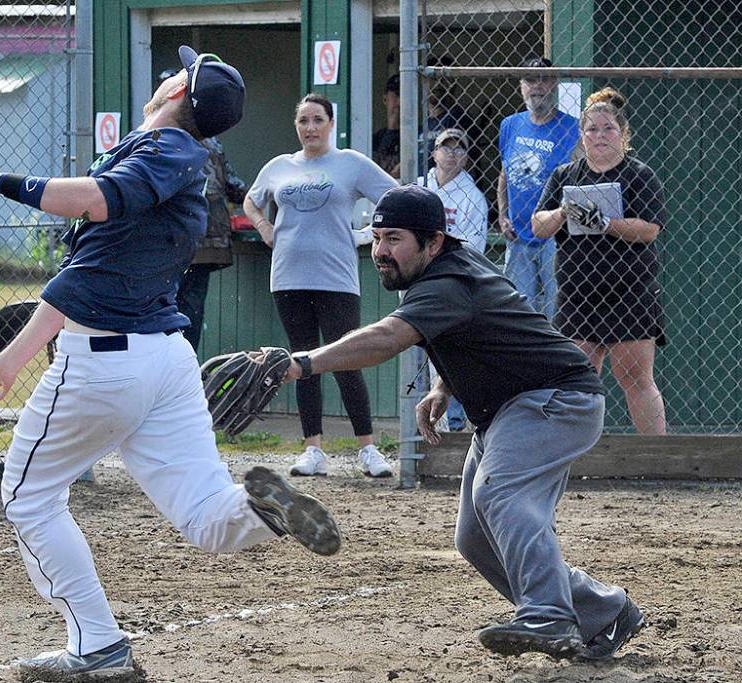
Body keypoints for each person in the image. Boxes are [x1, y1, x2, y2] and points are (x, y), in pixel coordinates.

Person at [0, 46, 342, 678]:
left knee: (28, 497)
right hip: (161, 361)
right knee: (208, 515)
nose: (167, 78)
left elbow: (98, 199)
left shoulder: (172, 151)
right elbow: (84, 275)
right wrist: (16, 355)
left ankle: (96, 643)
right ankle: (263, 508)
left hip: (105, 367)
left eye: (179, 74)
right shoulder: (164, 150)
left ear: (183, 95)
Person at [274, 184, 644, 661]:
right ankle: (603, 612)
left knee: (501, 493)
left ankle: (549, 613)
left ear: (433, 241)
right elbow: (486, 334)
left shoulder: (450, 281)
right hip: (512, 409)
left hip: (555, 400)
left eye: (394, 239)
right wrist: (443, 387)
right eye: (377, 237)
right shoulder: (443, 274)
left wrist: (302, 364)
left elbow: (388, 338)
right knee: (473, 537)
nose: (381, 251)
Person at [243, 93, 397, 479]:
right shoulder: (280, 166)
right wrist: (264, 227)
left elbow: (394, 197)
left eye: (317, 120)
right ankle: (312, 448)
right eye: (303, 121)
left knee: (346, 357)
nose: (310, 128)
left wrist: (372, 235)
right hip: (289, 275)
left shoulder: (350, 164)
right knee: (301, 362)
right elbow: (251, 200)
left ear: (331, 123)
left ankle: (368, 448)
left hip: (336, 277)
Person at [532, 87, 667, 435]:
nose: (600, 136)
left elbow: (650, 229)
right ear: (582, 136)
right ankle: (572, 459)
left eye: (608, 128)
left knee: (636, 379)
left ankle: (659, 458)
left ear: (623, 134)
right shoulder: (565, 176)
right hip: (577, 297)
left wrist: (606, 224)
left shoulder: (639, 175)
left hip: (629, 294)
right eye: (592, 129)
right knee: (574, 383)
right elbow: (538, 225)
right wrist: (565, 211)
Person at [155, 68, 248, 351]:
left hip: (187, 238)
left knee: (176, 312)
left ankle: (177, 375)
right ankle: (180, 372)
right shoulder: (205, 140)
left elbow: (231, 185)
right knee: (186, 312)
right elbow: (233, 185)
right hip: (198, 238)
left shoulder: (166, 138)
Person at [497, 56, 579, 319]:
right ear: (521, 85)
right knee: (518, 313)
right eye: (530, 80)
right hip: (518, 236)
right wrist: (502, 213)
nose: (537, 87)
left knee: (560, 310)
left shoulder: (572, 129)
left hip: (556, 236)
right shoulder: (510, 125)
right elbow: (504, 172)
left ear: (555, 83)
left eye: (544, 79)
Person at [418, 127, 488, 431]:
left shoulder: (473, 197)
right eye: (445, 148)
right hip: (416, 281)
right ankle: (419, 425)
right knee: (417, 352)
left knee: (449, 354)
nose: (451, 154)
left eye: (459, 149)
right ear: (434, 152)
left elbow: (475, 247)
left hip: (450, 281)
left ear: (466, 157)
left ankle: (454, 424)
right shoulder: (418, 186)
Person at [371, 74, 401, 176]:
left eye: (405, 96)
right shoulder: (376, 140)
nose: (401, 102)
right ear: (385, 99)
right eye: (396, 95)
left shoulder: (418, 136)